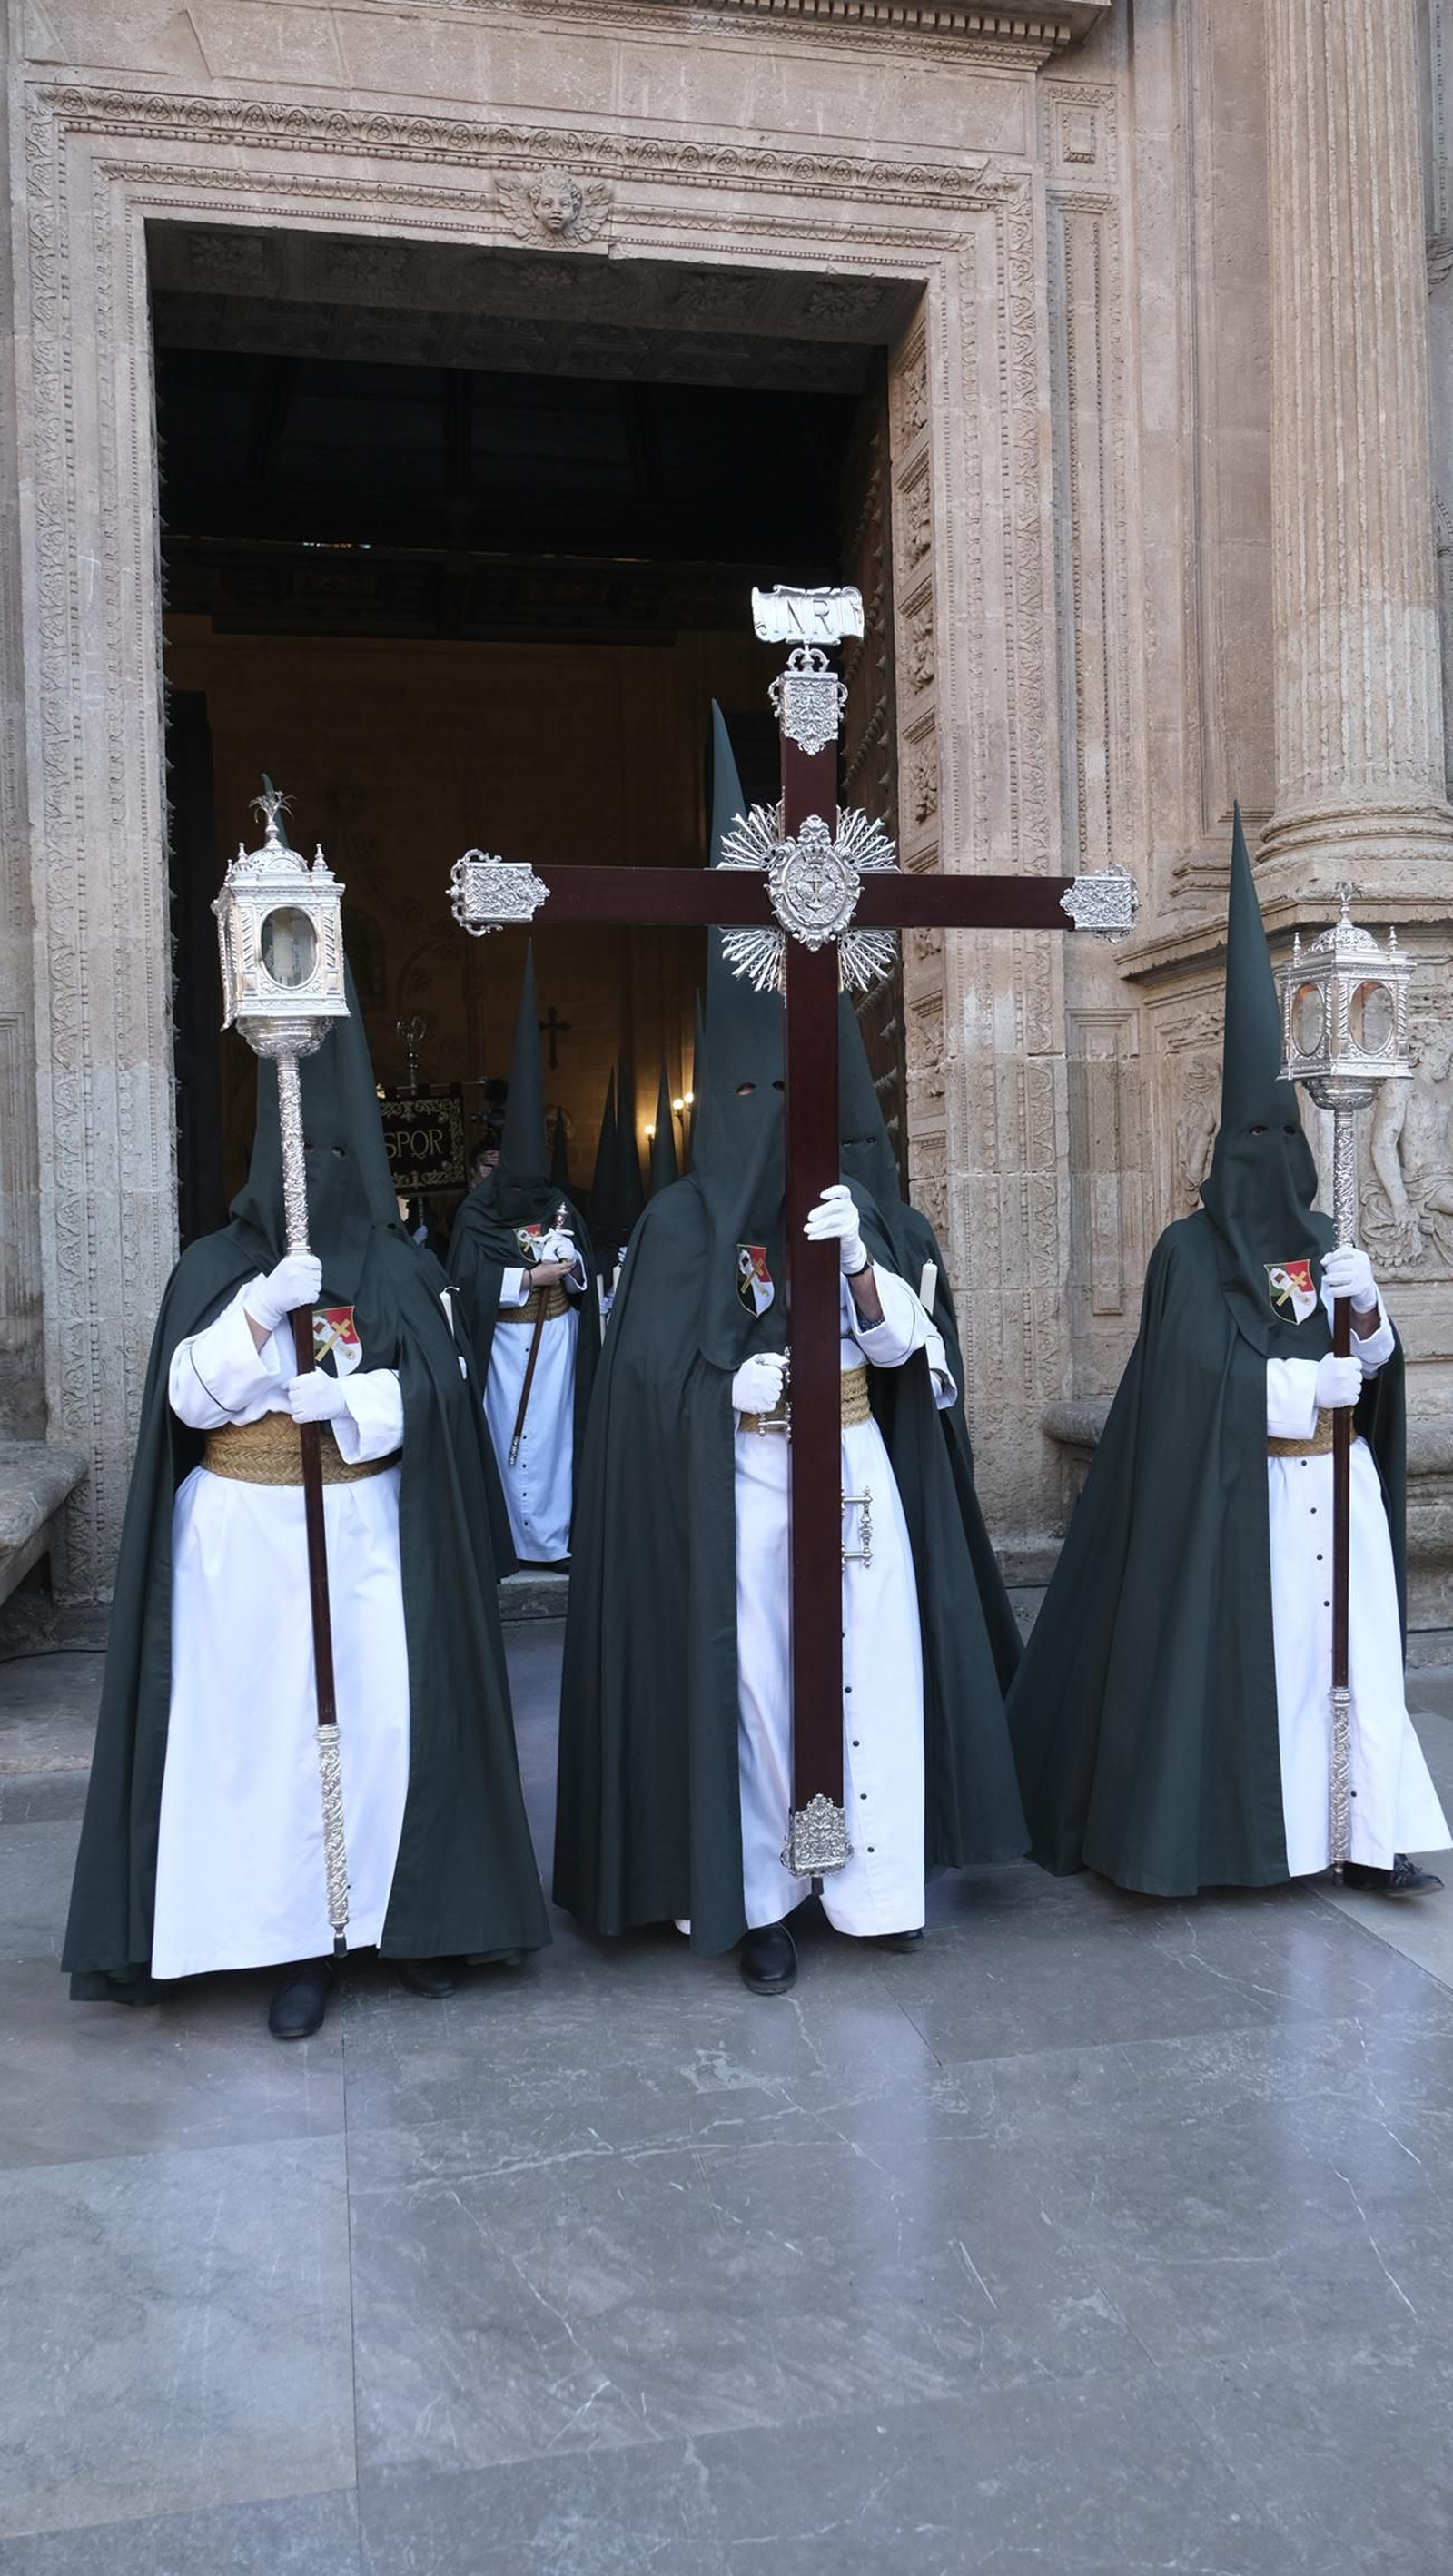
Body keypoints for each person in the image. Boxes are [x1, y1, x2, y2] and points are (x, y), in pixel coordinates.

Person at [554, 708, 1027, 1994]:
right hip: (747, 1497)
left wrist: (864, 1273)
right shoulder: (677, 1226)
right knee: (759, 1689)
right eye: (753, 1098)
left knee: (867, 1672)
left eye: (790, 1095)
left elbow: (926, 1368)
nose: (773, 1124)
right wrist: (734, 1380)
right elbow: (646, 1386)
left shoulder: (862, 1209)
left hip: (861, 1472)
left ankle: (871, 1887)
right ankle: (761, 1896)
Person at [63, 975, 550, 2039]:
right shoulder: (213, 1267)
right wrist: (256, 1313)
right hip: (244, 1541)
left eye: (337, 1155)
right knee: (265, 1741)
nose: (318, 1177)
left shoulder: (397, 1269)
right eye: (304, 1155)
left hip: (368, 1533)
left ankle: (391, 1918)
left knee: (381, 1726)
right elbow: (186, 1400)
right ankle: (293, 1935)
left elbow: (439, 1393)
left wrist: (360, 1396)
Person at [1010, 814, 1449, 1897]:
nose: (1267, 1165)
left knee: (1347, 1666)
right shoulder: (1182, 1250)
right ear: (1219, 1150)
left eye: (1280, 1143)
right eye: (1248, 1144)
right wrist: (1304, 1380)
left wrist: (1372, 1319)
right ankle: (1242, 1835)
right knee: (1264, 1672)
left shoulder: (1327, 1240)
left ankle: (1361, 1827)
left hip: (1332, 1485)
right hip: (1244, 1498)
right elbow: (1188, 1378)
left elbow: (1374, 1366)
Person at [448, 945, 598, 1567]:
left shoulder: (557, 1201)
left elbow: (587, 1267)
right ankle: (513, 1539)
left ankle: (554, 1539)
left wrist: (571, 1264)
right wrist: (526, 1276)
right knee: (511, 1440)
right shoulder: (477, 1213)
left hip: (558, 1337)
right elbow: (466, 1277)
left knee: (556, 1440)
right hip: (505, 1344)